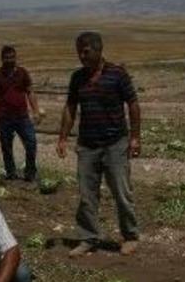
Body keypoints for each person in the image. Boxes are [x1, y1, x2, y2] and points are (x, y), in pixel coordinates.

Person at [56, 31, 141, 257]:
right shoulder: (77, 78)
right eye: (79, 52)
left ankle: (130, 236)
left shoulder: (117, 74)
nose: (81, 56)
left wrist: (135, 137)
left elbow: (132, 104)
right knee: (86, 194)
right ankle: (88, 237)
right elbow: (71, 108)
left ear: (98, 49)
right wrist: (63, 137)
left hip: (115, 143)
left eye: (85, 51)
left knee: (121, 192)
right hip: (87, 145)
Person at [0, 45, 41, 181]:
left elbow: (30, 91)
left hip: (22, 116)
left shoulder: (22, 73)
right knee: (6, 147)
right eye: (7, 58)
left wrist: (36, 111)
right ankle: (11, 173)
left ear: (15, 57)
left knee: (31, 143)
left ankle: (30, 173)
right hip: (5, 117)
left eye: (12, 57)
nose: (10, 60)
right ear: (2, 59)